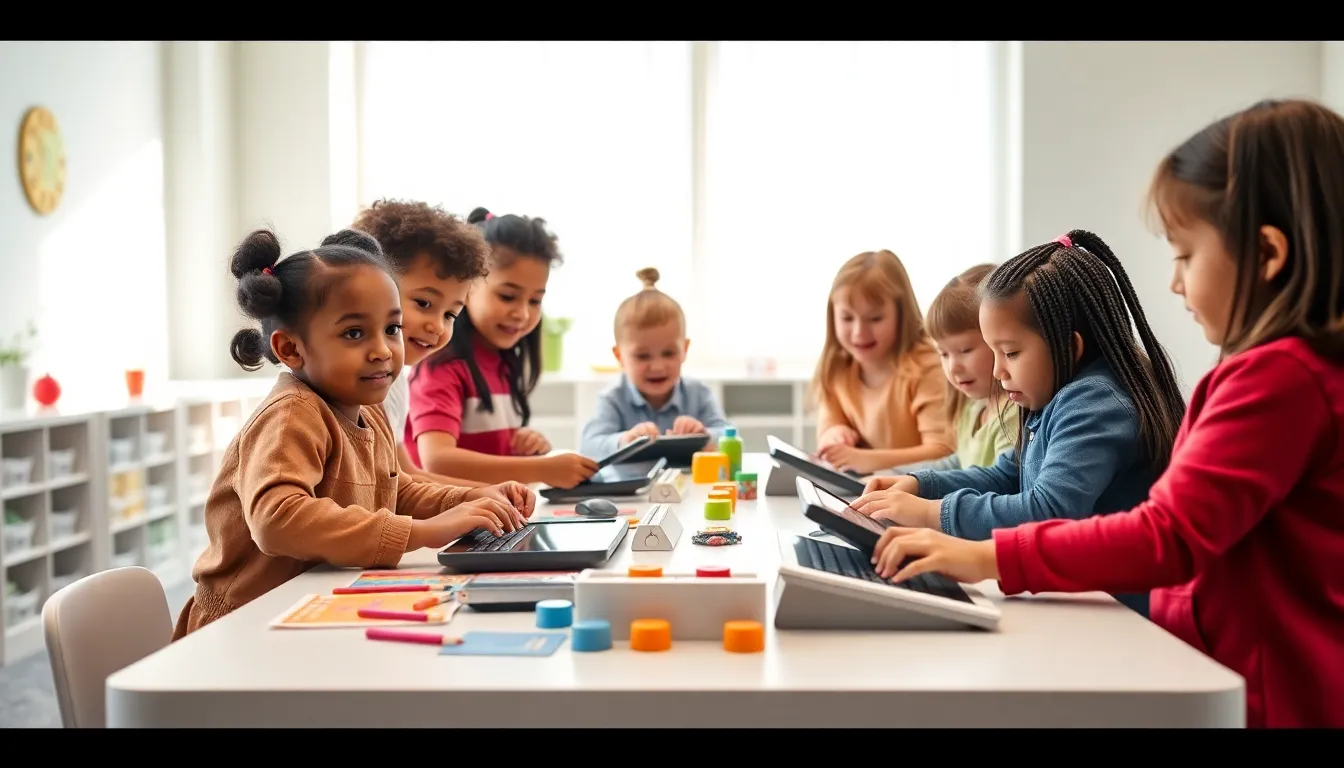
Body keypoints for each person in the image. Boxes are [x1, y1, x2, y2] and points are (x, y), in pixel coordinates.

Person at [868, 99, 1344, 728]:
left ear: (1267, 254)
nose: (1174, 284)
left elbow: (1167, 536)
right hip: (1228, 671)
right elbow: (1018, 475)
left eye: (1184, 255)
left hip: (1268, 695)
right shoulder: (1277, 373)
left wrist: (981, 555)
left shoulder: (1280, 380)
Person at [174, 227, 530, 639]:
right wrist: (422, 533)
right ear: (291, 349)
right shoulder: (292, 415)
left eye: (392, 329)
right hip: (242, 627)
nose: (382, 349)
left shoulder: (368, 409)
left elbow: (394, 490)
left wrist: (469, 499)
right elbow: (277, 519)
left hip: (311, 608)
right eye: (355, 333)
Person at [853, 230, 1187, 617]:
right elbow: (1007, 475)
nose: (997, 371)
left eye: (1010, 352)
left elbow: (1048, 511)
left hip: (1128, 618)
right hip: (1087, 604)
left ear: (1070, 347)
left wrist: (932, 513)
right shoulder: (1056, 395)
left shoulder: (1095, 403)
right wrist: (921, 485)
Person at [408, 208, 597, 488]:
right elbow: (437, 460)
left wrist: (520, 446)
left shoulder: (503, 363)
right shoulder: (441, 367)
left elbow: (484, 455)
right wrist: (540, 469)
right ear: (468, 288)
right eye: (508, 296)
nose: (522, 313)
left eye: (535, 301)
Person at [351, 198, 494, 490]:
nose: (438, 326)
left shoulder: (395, 379)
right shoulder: (353, 383)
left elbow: (404, 476)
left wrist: (485, 494)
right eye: (424, 303)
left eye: (451, 313)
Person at [811, 250, 956, 474]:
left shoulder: (928, 366)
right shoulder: (837, 367)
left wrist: (867, 459)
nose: (860, 332)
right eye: (847, 318)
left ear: (902, 313)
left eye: (875, 318)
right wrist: (834, 434)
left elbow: (943, 450)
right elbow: (828, 430)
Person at [579, 267, 729, 456]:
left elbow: (729, 436)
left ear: (685, 350)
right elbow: (588, 447)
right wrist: (625, 440)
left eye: (669, 353)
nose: (658, 366)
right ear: (619, 357)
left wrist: (704, 435)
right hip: (630, 487)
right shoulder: (612, 399)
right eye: (642, 356)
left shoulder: (698, 393)